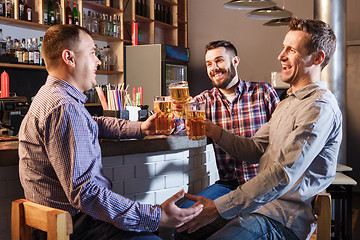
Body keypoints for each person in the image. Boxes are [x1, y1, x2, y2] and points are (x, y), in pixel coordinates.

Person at [18, 24, 203, 240]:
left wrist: (142, 128)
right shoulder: (64, 107)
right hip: (78, 228)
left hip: (65, 222)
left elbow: (93, 123)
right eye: (93, 53)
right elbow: (85, 194)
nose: (98, 61)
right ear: (69, 58)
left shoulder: (52, 96)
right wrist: (156, 215)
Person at [177, 18, 342, 240]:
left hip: (282, 217)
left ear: (318, 58)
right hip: (256, 205)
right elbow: (255, 148)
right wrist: (214, 131)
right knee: (182, 230)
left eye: (291, 49)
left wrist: (218, 207)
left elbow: (282, 174)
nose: (280, 55)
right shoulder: (289, 102)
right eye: (283, 47)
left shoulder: (319, 108)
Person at [174, 40, 279, 207]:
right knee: (184, 212)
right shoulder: (202, 101)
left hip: (263, 182)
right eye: (209, 64)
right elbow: (177, 127)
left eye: (219, 60)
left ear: (235, 61)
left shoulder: (263, 92)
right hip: (229, 184)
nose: (213, 68)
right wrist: (177, 113)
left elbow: (284, 137)